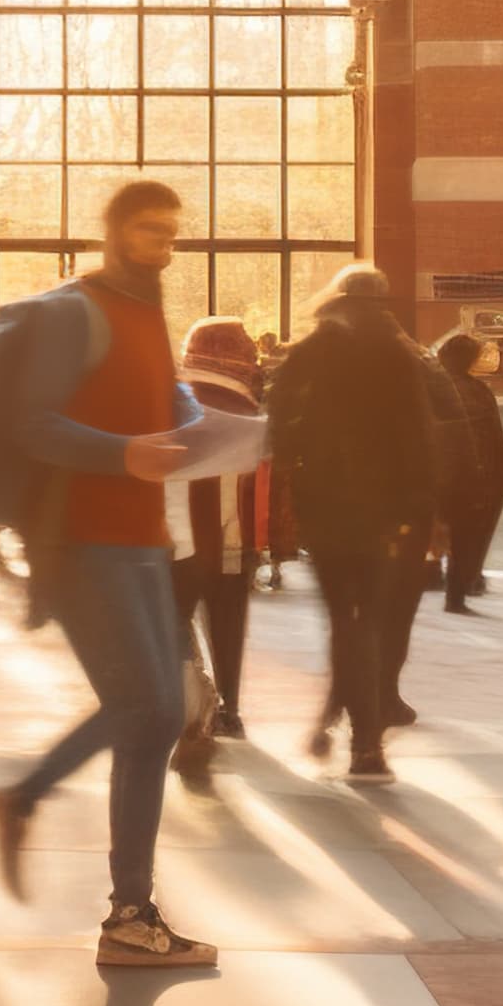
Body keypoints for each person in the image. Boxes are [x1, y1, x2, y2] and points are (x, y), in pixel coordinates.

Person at [0, 182, 222, 967]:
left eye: (171, 233)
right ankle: (43, 817)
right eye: (150, 230)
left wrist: (209, 423)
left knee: (155, 717)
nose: (163, 244)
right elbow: (32, 424)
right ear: (115, 231)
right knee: (147, 707)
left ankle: (130, 909)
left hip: (143, 539)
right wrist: (122, 453)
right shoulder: (75, 311)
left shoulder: (149, 309)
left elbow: (157, 395)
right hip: (85, 542)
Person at [268, 265, 442, 780]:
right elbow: (419, 434)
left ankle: (340, 718)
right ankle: (365, 741)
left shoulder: (310, 353)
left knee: (344, 618)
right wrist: (421, 508)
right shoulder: (396, 354)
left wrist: (300, 476)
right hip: (383, 511)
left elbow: (278, 423)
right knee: (371, 620)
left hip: (326, 508)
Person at [168, 318, 275, 759]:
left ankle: (190, 704)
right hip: (231, 542)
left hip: (173, 540)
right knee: (228, 625)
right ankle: (229, 706)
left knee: (176, 624)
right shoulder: (247, 408)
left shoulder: (170, 398)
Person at [430, 333, 503, 611]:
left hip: (432, 472)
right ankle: (456, 595)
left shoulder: (427, 387)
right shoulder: (479, 391)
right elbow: (493, 436)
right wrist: (498, 474)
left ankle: (428, 576)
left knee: (427, 528)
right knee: (465, 535)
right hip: (470, 473)